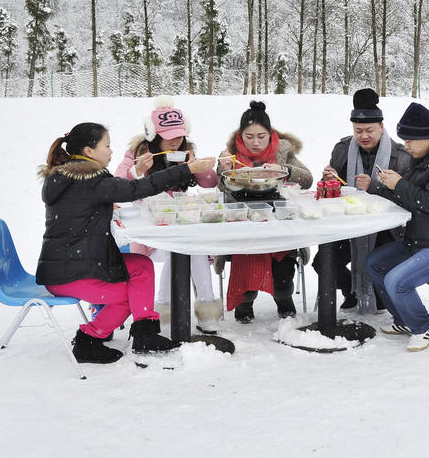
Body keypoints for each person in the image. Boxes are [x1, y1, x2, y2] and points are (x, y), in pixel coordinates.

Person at [36, 122, 217, 364]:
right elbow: (137, 189)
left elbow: (122, 189)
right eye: (107, 146)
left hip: (77, 262)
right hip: (70, 274)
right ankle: (88, 341)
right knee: (131, 295)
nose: (111, 151)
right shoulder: (88, 181)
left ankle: (145, 335)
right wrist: (187, 169)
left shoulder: (72, 177)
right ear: (89, 152)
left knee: (141, 265)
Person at [365, 102, 429, 353]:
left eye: (410, 140)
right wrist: (386, 186)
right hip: (419, 239)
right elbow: (412, 194)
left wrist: (399, 184)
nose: (406, 145)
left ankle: (423, 326)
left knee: (396, 280)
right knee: (374, 263)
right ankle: (403, 320)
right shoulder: (425, 155)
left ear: (428, 136)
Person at [114, 96, 222, 332]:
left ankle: (201, 310)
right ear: (154, 136)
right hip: (149, 231)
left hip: (182, 222)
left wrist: (200, 168)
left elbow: (210, 182)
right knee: (180, 247)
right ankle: (168, 309)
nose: (175, 142)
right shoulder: (138, 153)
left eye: (179, 136)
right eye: (168, 137)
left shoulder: (186, 152)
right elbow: (118, 185)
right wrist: (137, 170)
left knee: (193, 248)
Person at [314, 88, 411, 312]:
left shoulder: (401, 156)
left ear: (381, 128)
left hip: (386, 229)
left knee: (375, 265)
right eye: (358, 131)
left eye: (369, 130)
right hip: (347, 226)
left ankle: (374, 294)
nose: (364, 136)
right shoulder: (342, 149)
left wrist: (375, 187)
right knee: (323, 263)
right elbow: (329, 191)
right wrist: (329, 180)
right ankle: (352, 289)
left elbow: (409, 199)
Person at [217, 100, 313, 323]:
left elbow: (307, 179)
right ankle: (246, 300)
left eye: (261, 136)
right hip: (243, 221)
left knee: (282, 273)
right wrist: (224, 171)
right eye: (249, 137)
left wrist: (285, 170)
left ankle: (283, 297)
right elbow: (220, 188)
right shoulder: (230, 154)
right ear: (240, 136)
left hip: (278, 220)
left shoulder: (282, 151)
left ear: (270, 134)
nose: (255, 142)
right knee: (247, 259)